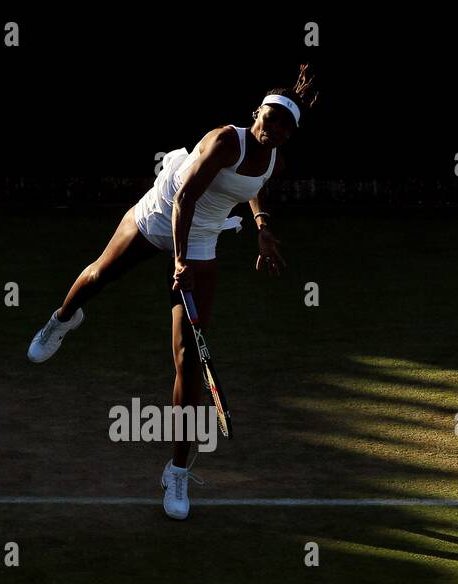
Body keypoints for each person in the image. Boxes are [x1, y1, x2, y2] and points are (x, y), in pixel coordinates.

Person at [27, 65, 319, 520]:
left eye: (284, 127)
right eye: (269, 119)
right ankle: (62, 320)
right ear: (256, 113)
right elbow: (184, 198)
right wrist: (178, 260)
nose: (274, 130)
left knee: (188, 356)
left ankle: (177, 470)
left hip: (202, 237)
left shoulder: (275, 158)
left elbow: (254, 188)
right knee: (100, 275)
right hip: (162, 214)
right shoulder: (226, 140)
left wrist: (261, 227)